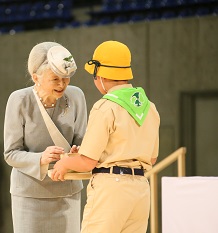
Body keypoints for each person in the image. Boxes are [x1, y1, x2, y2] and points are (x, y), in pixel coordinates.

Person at [51, 41, 160, 233]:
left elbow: (87, 162)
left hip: (111, 190)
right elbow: (152, 158)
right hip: (141, 190)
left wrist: (65, 163)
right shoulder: (150, 108)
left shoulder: (106, 107)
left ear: (99, 74)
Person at [4, 42, 87, 233]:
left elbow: (82, 142)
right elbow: (10, 153)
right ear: (36, 78)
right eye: (55, 79)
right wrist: (40, 158)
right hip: (28, 195)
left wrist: (77, 152)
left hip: (68, 191)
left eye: (66, 78)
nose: (62, 84)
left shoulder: (76, 96)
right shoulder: (19, 100)